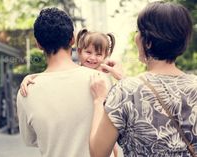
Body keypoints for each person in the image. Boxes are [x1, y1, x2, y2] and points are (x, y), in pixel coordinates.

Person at [90, 1, 197, 157]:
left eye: (138, 31)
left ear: (148, 42)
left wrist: (99, 100)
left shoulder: (125, 91)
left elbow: (98, 153)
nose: (136, 37)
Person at [16, 7, 112, 157]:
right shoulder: (101, 81)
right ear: (73, 39)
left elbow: (30, 140)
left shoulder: (26, 91)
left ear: (38, 44)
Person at [19, 28, 122, 97]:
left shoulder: (104, 74)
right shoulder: (75, 70)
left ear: (105, 55)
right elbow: (57, 74)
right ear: (79, 51)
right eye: (88, 52)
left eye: (98, 54)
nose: (92, 58)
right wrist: (31, 77)